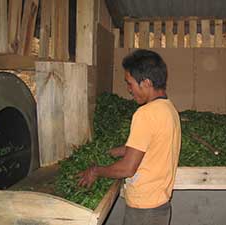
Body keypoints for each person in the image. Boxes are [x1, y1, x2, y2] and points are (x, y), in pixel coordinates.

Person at [77, 49, 181, 225]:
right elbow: (152, 146)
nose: (129, 90)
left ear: (146, 83)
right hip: (159, 204)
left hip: (144, 210)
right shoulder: (168, 109)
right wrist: (115, 151)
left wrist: (96, 171)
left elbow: (127, 169)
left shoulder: (145, 114)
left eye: (130, 83)